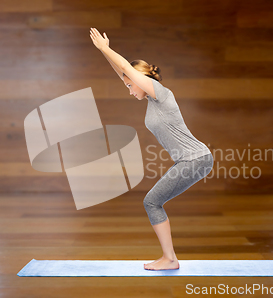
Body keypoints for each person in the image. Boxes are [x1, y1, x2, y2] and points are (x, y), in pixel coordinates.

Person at [90, 28, 214, 270]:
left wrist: (106, 48)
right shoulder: (150, 99)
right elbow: (123, 71)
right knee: (153, 202)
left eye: (129, 86)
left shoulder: (161, 94)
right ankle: (169, 258)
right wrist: (103, 53)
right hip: (189, 160)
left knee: (152, 202)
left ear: (139, 80)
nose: (129, 90)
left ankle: (170, 259)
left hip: (195, 159)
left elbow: (126, 69)